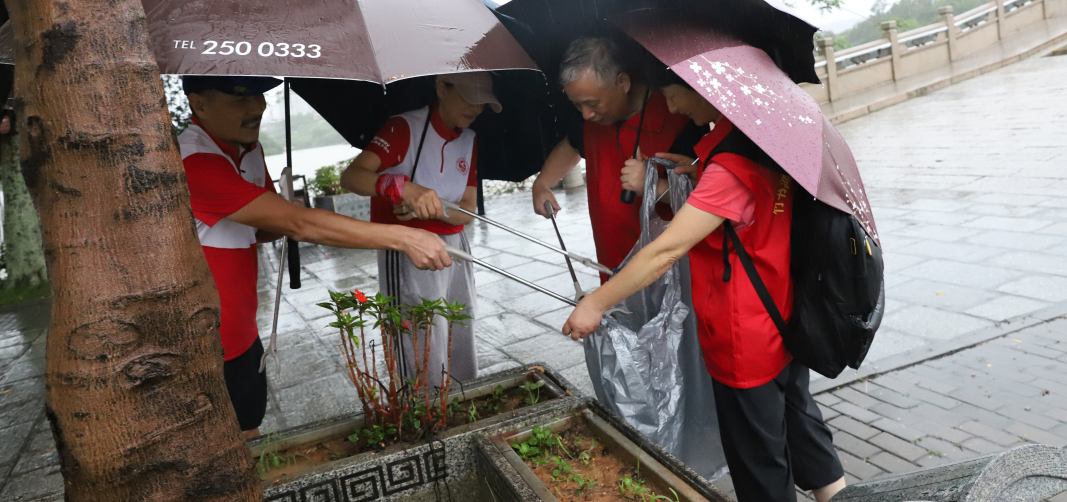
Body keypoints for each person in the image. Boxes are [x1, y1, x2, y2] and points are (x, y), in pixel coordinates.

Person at [561, 72, 847, 502]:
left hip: (742, 338)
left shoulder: (731, 166)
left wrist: (596, 303)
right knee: (801, 427)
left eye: (674, 94)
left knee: (760, 467)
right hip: (781, 316)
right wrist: (695, 173)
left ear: (705, 90)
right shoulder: (763, 142)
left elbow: (666, 250)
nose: (672, 107)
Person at [179, 75, 451, 438]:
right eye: (239, 97)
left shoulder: (249, 148)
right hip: (202, 338)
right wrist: (404, 237)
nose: (257, 107)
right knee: (218, 446)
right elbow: (299, 225)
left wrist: (282, 211)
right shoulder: (193, 160)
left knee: (248, 428)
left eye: (261, 95)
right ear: (198, 104)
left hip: (242, 327)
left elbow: (264, 229)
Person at [341, 72, 498, 387]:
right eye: (469, 97)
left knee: (459, 324)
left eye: (483, 101)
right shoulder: (404, 127)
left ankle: (463, 397)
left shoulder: (469, 138)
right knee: (421, 335)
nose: (476, 107)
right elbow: (352, 177)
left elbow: (467, 209)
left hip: (455, 247)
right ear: (441, 88)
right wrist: (397, 186)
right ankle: (423, 407)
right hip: (407, 246)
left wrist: (435, 206)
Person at [531, 37, 704, 282]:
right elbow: (572, 144)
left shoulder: (678, 115)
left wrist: (653, 186)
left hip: (666, 276)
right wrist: (543, 182)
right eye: (576, 104)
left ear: (622, 82)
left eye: (592, 103)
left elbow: (704, 199)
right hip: (610, 266)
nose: (586, 114)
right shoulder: (588, 119)